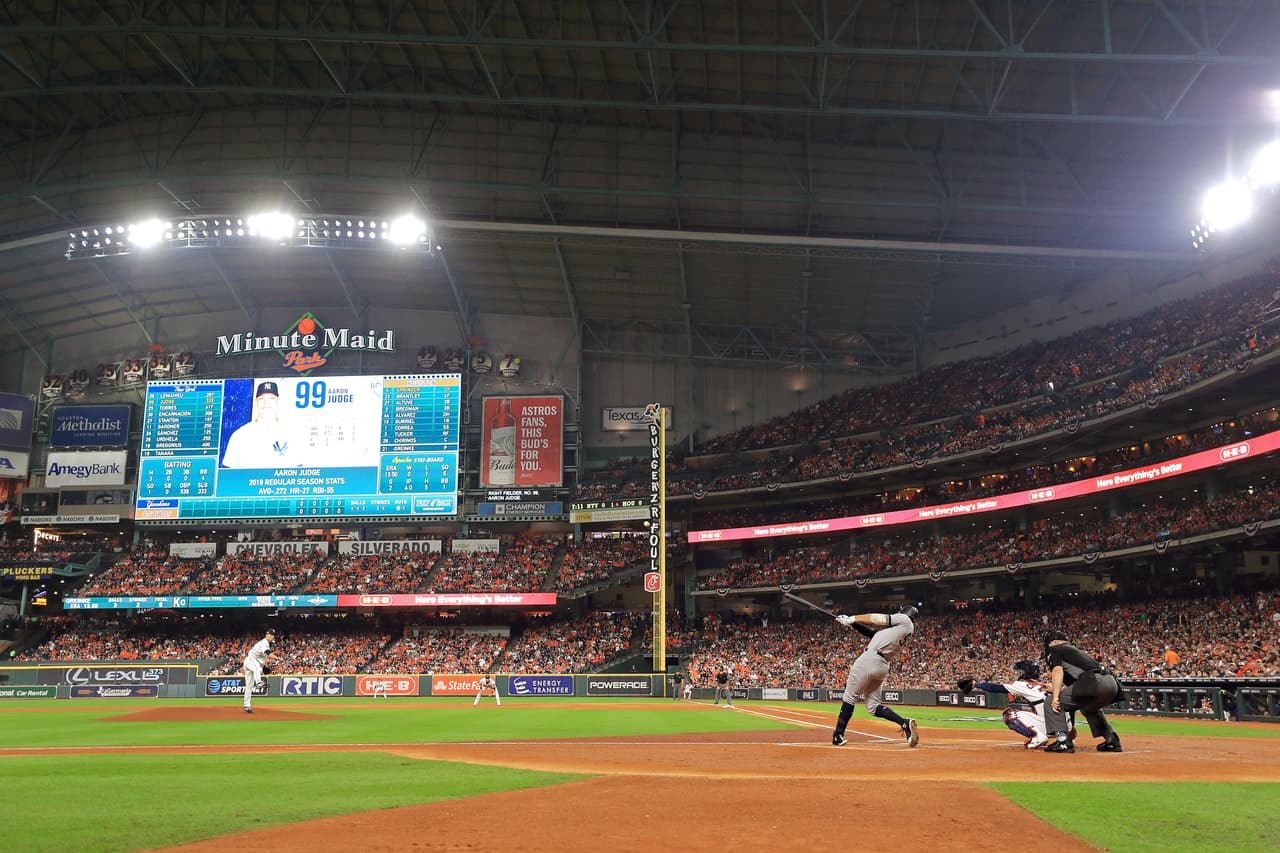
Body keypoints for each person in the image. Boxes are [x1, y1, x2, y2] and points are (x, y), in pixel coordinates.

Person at [831, 605, 919, 747]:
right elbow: (871, 633)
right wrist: (852, 623)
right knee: (873, 706)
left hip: (869, 660)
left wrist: (853, 618)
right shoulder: (900, 631)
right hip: (882, 666)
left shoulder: (904, 620)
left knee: (849, 697)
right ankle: (904, 723)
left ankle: (838, 735)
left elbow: (876, 618)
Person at [959, 660, 1073, 749]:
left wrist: (976, 684)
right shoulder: (1045, 684)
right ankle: (1064, 738)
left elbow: (997, 688)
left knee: (1010, 715)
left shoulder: (1022, 684)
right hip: (1064, 727)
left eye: (1019, 672)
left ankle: (1037, 736)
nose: (1017, 674)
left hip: (1050, 725)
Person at [1042, 629, 1124, 753]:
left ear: (1055, 642)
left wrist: (1055, 696)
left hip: (1093, 682)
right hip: (1111, 683)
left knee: (1051, 702)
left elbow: (1057, 670)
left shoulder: (1056, 649)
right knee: (1089, 708)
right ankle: (1111, 740)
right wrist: (1056, 689)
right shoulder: (1075, 651)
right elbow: (1076, 684)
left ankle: (1063, 741)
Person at [222, 381, 296, 468]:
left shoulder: (291, 434)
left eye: (271, 398)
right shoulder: (239, 435)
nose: (266, 403)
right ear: (255, 401)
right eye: (261, 398)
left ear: (278, 401)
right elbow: (229, 475)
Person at [242, 629, 274, 715]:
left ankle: (246, 706)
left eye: (273, 635)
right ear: (267, 635)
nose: (272, 636)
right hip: (250, 660)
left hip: (252, 663)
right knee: (257, 669)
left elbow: (262, 660)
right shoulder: (264, 642)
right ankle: (259, 683)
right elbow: (267, 652)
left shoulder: (266, 644)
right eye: (271, 634)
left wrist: (264, 666)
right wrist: (277, 658)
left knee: (249, 686)